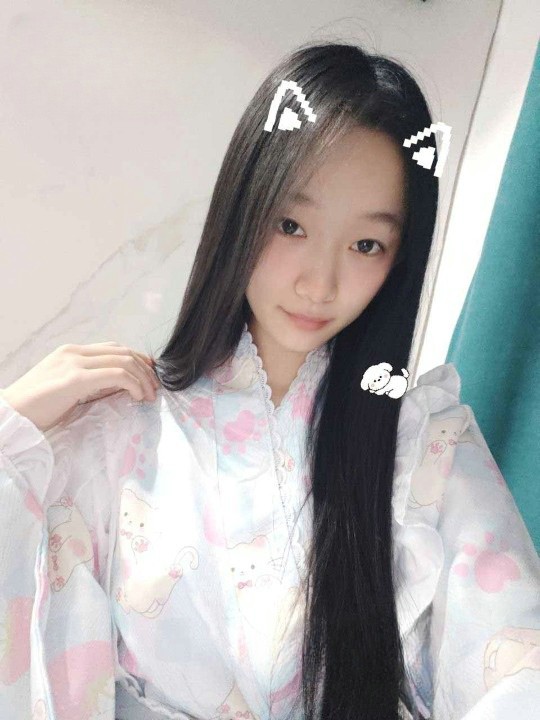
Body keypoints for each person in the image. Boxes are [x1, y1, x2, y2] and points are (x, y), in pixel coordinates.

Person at [0, 41, 539, 720]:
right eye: (291, 225)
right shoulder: (117, 431)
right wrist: (11, 425)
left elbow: (519, 671)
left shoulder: (427, 447)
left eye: (366, 244)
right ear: (243, 207)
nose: (320, 282)